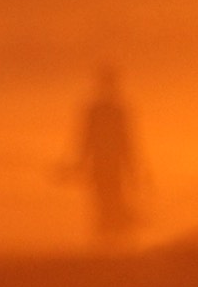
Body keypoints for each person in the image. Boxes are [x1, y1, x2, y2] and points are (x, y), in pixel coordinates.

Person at [63, 64, 148, 246]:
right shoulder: (108, 111)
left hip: (107, 163)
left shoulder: (105, 111)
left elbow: (124, 141)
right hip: (106, 163)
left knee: (108, 198)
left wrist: (79, 164)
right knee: (107, 198)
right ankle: (113, 236)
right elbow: (88, 140)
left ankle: (112, 236)